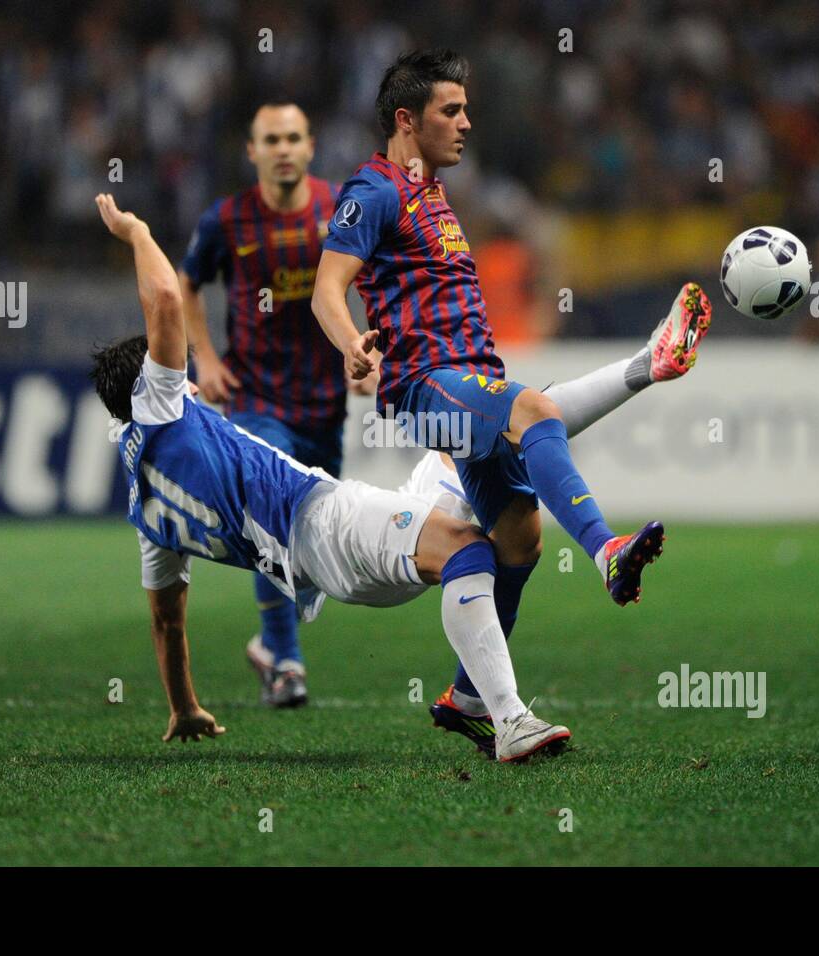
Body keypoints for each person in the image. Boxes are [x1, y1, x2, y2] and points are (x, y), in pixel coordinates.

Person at [312, 50, 711, 749]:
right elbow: (326, 288)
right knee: (536, 412)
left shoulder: (434, 194)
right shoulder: (373, 190)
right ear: (407, 119)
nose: (467, 122)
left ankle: (476, 703)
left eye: (466, 108)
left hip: (468, 380)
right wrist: (352, 344)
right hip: (426, 386)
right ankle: (607, 550)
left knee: (518, 542)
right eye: (451, 110)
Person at [90, 192, 571, 762]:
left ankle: (641, 368)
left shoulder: (146, 514)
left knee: (475, 445)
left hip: (323, 563)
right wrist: (139, 232)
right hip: (322, 521)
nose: (187, 378)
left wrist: (184, 706)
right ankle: (506, 719)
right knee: (468, 551)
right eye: (174, 371)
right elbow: (167, 296)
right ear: (148, 386)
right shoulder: (162, 406)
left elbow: (167, 623)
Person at [178, 102, 348, 709]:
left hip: (325, 401)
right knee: (272, 516)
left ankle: (270, 642)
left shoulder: (340, 208)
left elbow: (374, 276)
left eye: (293, 137)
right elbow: (186, 282)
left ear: (310, 146)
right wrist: (206, 357)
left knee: (312, 546)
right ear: (252, 151)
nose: (282, 148)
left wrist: (359, 351)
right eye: (270, 139)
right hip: (254, 397)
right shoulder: (226, 220)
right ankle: (287, 661)